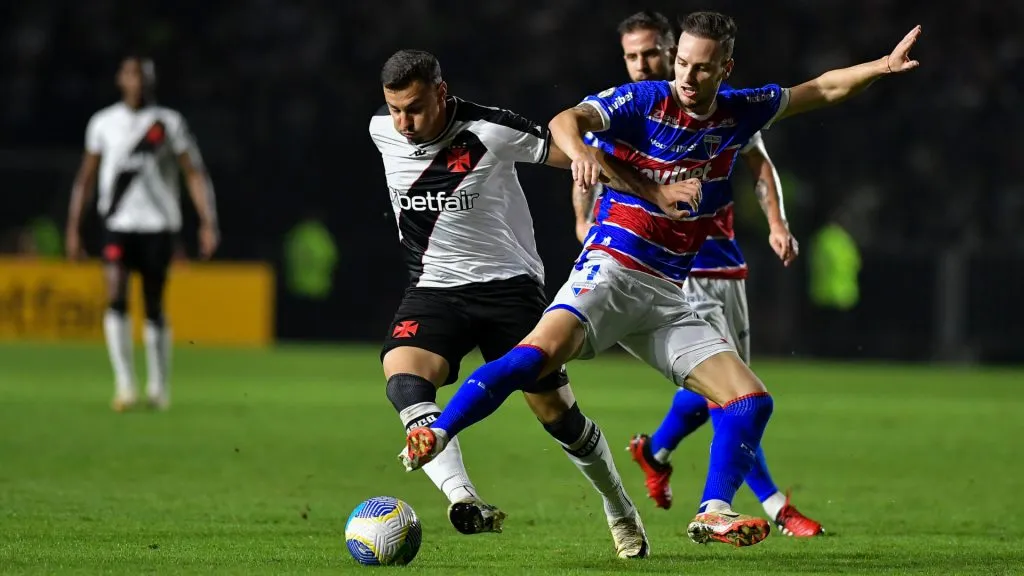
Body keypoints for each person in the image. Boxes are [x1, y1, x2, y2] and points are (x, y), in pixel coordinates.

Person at [400, 13, 921, 548]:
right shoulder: (645, 100)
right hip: (613, 268)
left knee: (750, 401)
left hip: (667, 293)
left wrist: (883, 65)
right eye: (682, 65)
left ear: (726, 69)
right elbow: (563, 120)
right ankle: (438, 431)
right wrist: (582, 154)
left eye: (702, 69)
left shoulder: (741, 110)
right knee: (538, 355)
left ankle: (713, 511)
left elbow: (822, 88)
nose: (688, 79)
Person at [369, 49, 700, 558]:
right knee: (404, 380)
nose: (403, 123)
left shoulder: (492, 130)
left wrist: (655, 191)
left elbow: (582, 158)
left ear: (441, 92)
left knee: (558, 418)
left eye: (413, 108)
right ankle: (463, 499)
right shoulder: (381, 132)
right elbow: (392, 130)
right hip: (433, 289)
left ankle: (619, 509)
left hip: (509, 290)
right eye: (394, 109)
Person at [570, 11, 823, 537]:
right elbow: (587, 161)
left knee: (731, 390)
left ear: (673, 51)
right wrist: (585, 223)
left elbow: (759, 159)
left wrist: (777, 222)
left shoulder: (714, 106)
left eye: (652, 54)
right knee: (731, 395)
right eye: (631, 56)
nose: (643, 66)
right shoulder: (628, 108)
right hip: (663, 268)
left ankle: (656, 451)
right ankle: (763, 504)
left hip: (720, 258)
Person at [65, 55, 219, 412]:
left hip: (158, 226)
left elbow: (193, 173)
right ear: (121, 79)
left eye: (144, 75)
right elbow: (85, 178)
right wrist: (73, 228)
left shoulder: (168, 123)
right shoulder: (103, 123)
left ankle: (158, 388)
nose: (138, 81)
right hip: (117, 225)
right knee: (116, 295)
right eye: (132, 74)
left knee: (153, 304)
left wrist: (207, 221)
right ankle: (124, 386)